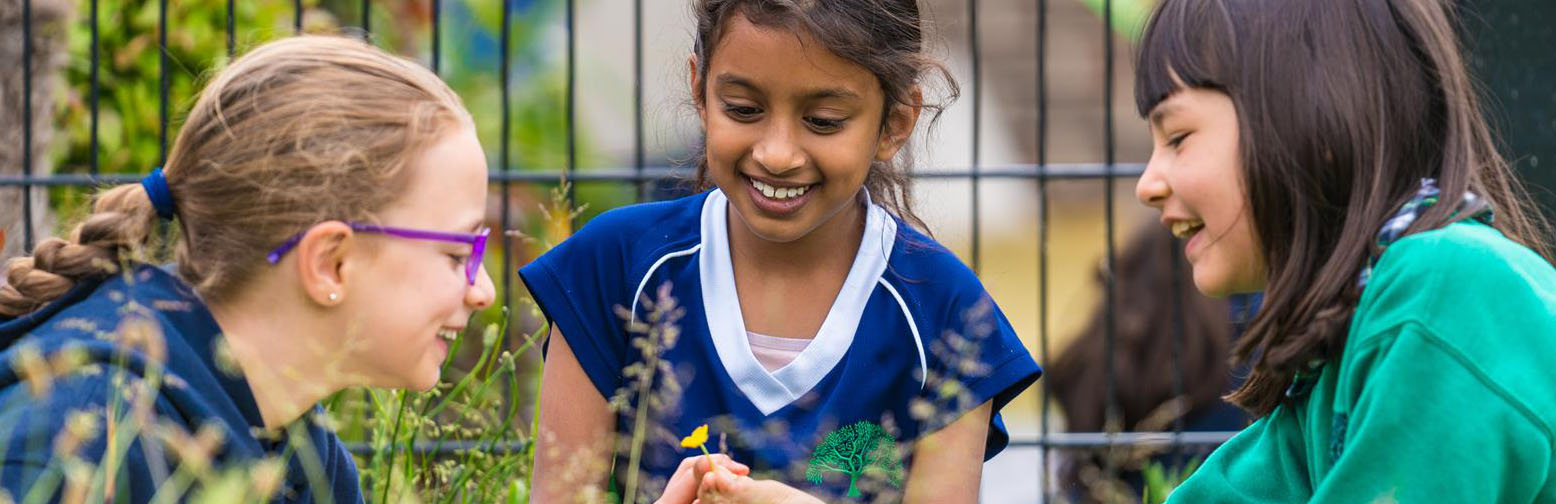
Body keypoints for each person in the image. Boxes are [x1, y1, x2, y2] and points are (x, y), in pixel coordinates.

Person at [521, 0, 1041, 502]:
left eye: (823, 120)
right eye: (744, 109)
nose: (777, 154)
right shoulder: (610, 269)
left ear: (896, 122)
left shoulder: (946, 311)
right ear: (699, 89)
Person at [0, 35, 495, 503]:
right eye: (458, 255)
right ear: (330, 264)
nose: (484, 291)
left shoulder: (298, 444)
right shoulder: (83, 428)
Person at [1132, 0, 1556, 501]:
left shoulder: (1443, 293)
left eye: (1178, 137)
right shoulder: (1346, 339)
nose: (1147, 184)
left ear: (1314, 114)